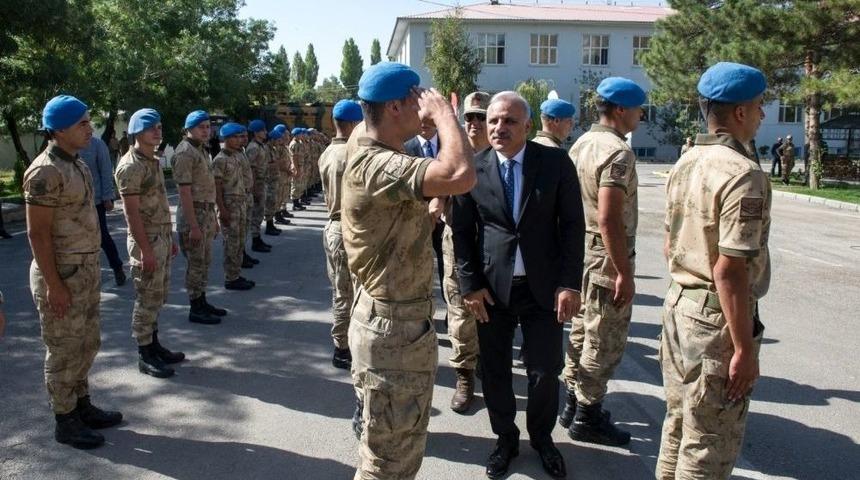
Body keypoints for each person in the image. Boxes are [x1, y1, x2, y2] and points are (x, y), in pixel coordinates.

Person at [342, 62, 476, 479]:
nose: (425, 107)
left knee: (391, 452)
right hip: (392, 333)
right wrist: (446, 115)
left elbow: (402, 209)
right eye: (419, 99)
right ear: (397, 106)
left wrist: (426, 211)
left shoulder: (378, 150)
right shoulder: (373, 162)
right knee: (387, 466)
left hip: (395, 326)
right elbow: (459, 173)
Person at [451, 91, 585, 479]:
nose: (498, 128)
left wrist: (569, 283)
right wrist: (470, 284)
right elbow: (462, 233)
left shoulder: (556, 163)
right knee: (494, 370)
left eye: (509, 121)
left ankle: (542, 438)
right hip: (492, 290)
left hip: (544, 288)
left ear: (527, 125)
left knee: (544, 370)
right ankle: (505, 438)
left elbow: (573, 225)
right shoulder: (473, 170)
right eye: (493, 121)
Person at [658, 62, 770, 480]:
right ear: (739, 113)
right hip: (714, 320)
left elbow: (670, 241)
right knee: (709, 445)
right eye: (759, 106)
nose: (762, 115)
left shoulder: (687, 160)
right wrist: (742, 348)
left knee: (679, 424)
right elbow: (730, 269)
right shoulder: (743, 174)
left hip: (679, 306)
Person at [24, 95, 122, 449]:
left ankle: (82, 406)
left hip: (85, 271)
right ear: (59, 129)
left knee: (86, 344)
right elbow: (37, 233)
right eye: (82, 123)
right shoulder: (45, 171)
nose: (90, 128)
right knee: (63, 349)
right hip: (61, 275)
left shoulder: (77, 163)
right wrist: (54, 284)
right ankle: (64, 420)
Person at [562, 76, 646, 447]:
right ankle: (587, 415)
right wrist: (624, 273)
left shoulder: (582, 142)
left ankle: (570, 403)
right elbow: (610, 217)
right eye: (639, 110)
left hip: (581, 250)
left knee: (581, 331)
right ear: (621, 110)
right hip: (604, 254)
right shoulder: (617, 151)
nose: (640, 117)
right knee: (604, 337)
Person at [115, 108, 185, 379]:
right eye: (150, 127)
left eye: (158, 126)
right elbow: (131, 213)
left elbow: (160, 203)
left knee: (158, 295)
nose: (157, 131)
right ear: (135, 132)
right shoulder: (130, 165)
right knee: (146, 297)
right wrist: (145, 250)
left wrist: (171, 236)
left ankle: (154, 344)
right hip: (146, 241)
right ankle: (144, 353)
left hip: (161, 237)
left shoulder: (152, 160)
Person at [443, 90, 490, 414]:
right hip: (457, 243)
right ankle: (464, 376)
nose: (474, 122)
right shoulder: (454, 155)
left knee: (493, 310)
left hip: (494, 245)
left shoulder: (503, 158)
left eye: (481, 117)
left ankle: (488, 361)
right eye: (470, 116)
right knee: (460, 313)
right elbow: (437, 192)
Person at [318, 99, 362, 370]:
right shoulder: (350, 152)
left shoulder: (328, 152)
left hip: (335, 225)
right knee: (346, 292)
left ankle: (343, 344)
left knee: (341, 290)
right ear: (351, 124)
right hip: (346, 227)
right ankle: (342, 347)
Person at [172, 110, 225, 325]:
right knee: (196, 263)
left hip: (205, 213)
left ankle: (202, 301)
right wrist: (193, 226)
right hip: (193, 214)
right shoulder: (185, 152)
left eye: (207, 126)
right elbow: (184, 193)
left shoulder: (201, 150)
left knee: (204, 262)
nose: (206, 131)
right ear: (189, 129)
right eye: (200, 127)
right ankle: (195, 307)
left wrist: (213, 219)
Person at [404, 115, 446, 315]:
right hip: (416, 221)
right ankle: (422, 312)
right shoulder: (404, 148)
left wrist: (442, 199)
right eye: (419, 118)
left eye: (429, 118)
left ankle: (451, 310)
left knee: (448, 268)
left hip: (447, 220)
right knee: (417, 269)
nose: (424, 123)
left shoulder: (451, 145)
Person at [213, 123, 256, 291]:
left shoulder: (238, 155)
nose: (240, 140)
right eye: (235, 137)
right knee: (231, 242)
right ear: (226, 139)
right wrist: (222, 209)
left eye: (240, 137)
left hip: (241, 203)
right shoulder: (220, 160)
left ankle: (236, 273)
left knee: (239, 241)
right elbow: (217, 187)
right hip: (229, 206)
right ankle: (230, 278)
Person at [79, 136, 126, 286]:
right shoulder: (66, 146)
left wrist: (108, 197)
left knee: (102, 236)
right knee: (79, 240)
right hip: (73, 204)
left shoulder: (97, 144)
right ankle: (84, 275)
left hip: (95, 201)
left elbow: (106, 170)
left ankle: (117, 266)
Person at [245, 120, 271, 252]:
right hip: (257, 183)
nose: (265, 132)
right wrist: (254, 188)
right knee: (256, 213)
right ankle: (255, 241)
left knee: (260, 212)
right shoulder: (253, 148)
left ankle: (258, 238)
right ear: (256, 132)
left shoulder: (262, 146)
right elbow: (251, 169)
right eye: (263, 130)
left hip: (262, 182)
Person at [263, 127, 288, 235]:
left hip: (274, 179)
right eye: (277, 140)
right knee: (269, 203)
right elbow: (265, 166)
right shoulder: (266, 149)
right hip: (269, 180)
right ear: (272, 139)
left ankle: (271, 224)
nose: (279, 142)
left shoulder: (272, 149)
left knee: (273, 202)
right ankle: (269, 226)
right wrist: (278, 163)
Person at [288, 128, 307, 212]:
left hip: (300, 166)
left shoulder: (298, 143)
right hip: (296, 166)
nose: (302, 135)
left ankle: (297, 201)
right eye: (300, 134)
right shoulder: (294, 144)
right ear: (296, 135)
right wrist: (296, 169)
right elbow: (294, 157)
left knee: (299, 184)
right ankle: (295, 204)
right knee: (295, 185)